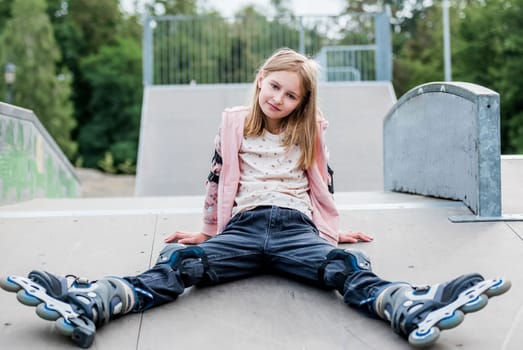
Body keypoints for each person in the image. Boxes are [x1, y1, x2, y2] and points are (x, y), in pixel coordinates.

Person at [0, 48, 510, 349]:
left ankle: (409, 307)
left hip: (295, 229)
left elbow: (322, 184)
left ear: (301, 103)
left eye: (290, 96)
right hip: (241, 229)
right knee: (185, 263)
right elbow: (217, 180)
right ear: (260, 80)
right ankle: (97, 300)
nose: (278, 100)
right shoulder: (231, 124)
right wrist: (206, 230)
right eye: (274, 87)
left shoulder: (310, 132)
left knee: (342, 266)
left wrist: (332, 232)